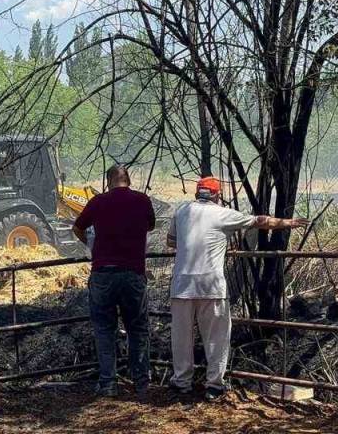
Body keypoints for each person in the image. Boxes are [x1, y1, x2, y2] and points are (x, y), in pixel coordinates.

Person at [166, 176, 308, 401]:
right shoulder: (223, 214)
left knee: (180, 337)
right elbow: (260, 221)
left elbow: (171, 242)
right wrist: (287, 222)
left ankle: (181, 381)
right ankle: (214, 384)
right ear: (217, 195)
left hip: (182, 283)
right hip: (211, 285)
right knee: (216, 337)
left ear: (197, 193)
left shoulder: (182, 210)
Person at [72, 164, 156, 398]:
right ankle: (141, 383)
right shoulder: (142, 201)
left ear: (108, 181)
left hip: (103, 274)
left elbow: (77, 227)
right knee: (138, 329)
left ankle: (108, 383)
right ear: (127, 179)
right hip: (133, 273)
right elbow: (150, 225)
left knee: (104, 330)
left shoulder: (98, 202)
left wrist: (91, 246)